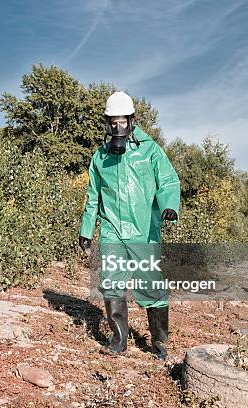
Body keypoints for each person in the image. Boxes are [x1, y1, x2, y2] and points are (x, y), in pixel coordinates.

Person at [78, 91, 180, 360]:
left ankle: (159, 345)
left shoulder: (150, 150)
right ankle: (119, 339)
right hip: (112, 228)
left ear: (133, 120)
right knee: (111, 282)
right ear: (107, 122)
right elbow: (93, 195)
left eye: (122, 121)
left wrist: (170, 204)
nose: (118, 127)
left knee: (150, 286)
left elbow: (168, 180)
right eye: (113, 122)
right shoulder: (100, 157)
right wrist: (86, 230)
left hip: (144, 229)